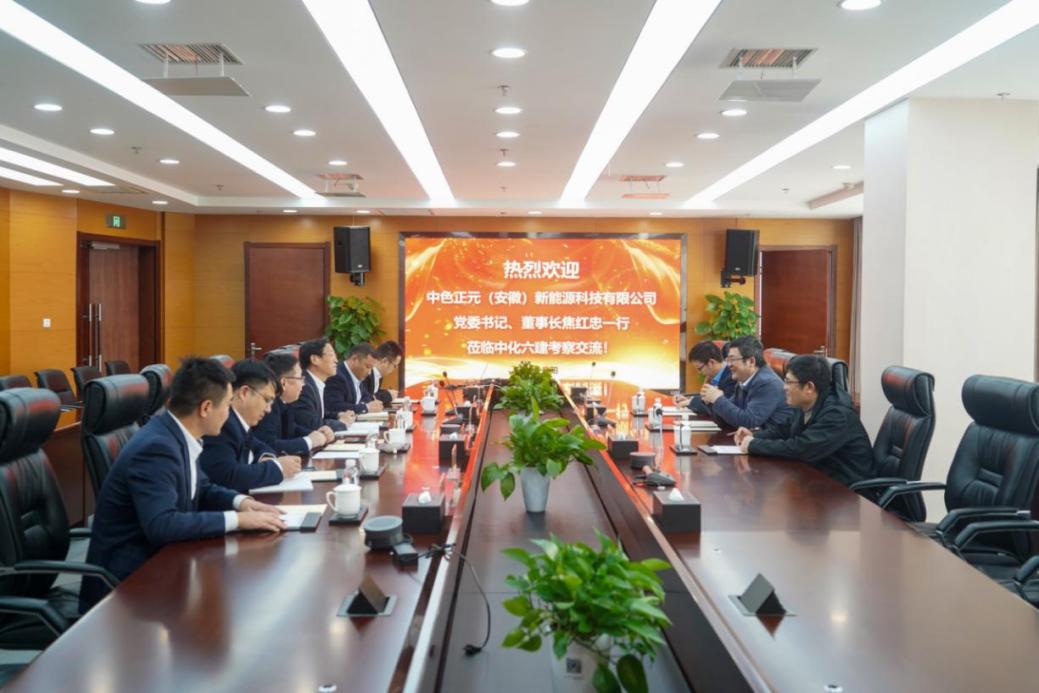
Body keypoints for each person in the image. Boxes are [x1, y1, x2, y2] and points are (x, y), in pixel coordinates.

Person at [82, 358, 285, 609]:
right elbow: (162, 524)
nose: (229, 413)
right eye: (227, 405)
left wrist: (241, 503)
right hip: (127, 589)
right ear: (206, 408)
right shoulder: (156, 448)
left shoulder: (176, 434)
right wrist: (238, 520)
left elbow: (201, 487)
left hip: (162, 565)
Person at [736, 354, 873, 486]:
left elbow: (802, 449)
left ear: (809, 387)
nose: (784, 387)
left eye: (789, 382)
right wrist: (754, 435)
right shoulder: (807, 403)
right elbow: (785, 429)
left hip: (848, 491)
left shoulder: (837, 415)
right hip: (821, 480)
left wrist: (754, 445)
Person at [198, 360, 303, 493]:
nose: (268, 409)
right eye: (266, 400)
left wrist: (267, 459)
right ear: (244, 392)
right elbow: (227, 477)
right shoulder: (223, 424)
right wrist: (278, 467)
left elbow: (260, 446)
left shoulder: (238, 421)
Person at [700, 335, 792, 429]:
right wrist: (711, 400)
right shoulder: (743, 381)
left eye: (732, 359)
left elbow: (749, 421)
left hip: (775, 437)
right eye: (728, 360)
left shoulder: (767, 383)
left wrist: (718, 399)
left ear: (751, 361)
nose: (728, 365)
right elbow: (729, 420)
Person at [255, 351, 335, 455]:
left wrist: (317, 433)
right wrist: (309, 441)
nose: (303, 384)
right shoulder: (268, 406)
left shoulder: (286, 401)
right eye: (300, 378)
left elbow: (292, 429)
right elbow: (268, 445)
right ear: (284, 383)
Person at [291, 337, 356, 432]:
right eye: (331, 355)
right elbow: (310, 423)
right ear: (314, 359)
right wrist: (341, 423)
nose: (336, 360)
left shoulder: (314, 382)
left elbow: (319, 414)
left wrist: (339, 415)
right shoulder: (303, 387)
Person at [675, 341, 735, 415]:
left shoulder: (731, 377)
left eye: (699, 369)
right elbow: (707, 399)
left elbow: (717, 407)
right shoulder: (714, 377)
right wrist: (689, 399)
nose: (699, 373)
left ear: (711, 362)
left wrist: (691, 402)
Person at [324, 342, 384, 416]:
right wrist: (365, 407)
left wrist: (366, 405)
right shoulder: (337, 376)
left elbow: (367, 397)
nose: (369, 373)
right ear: (354, 359)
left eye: (371, 368)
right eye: (368, 367)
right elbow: (334, 406)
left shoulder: (357, 376)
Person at [363, 340, 403, 406]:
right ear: (384, 361)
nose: (395, 369)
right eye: (395, 366)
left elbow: (374, 393)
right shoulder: (366, 372)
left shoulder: (378, 374)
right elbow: (364, 399)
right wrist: (387, 395)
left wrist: (386, 392)